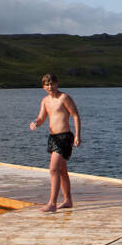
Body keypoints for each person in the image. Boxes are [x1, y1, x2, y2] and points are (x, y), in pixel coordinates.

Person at [29, 73, 81, 212]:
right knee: (62, 171)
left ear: (57, 84)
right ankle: (68, 200)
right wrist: (35, 123)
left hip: (64, 137)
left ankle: (52, 203)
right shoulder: (45, 100)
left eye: (52, 83)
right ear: (43, 86)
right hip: (53, 138)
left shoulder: (64, 98)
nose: (50, 86)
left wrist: (77, 135)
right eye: (47, 84)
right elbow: (41, 117)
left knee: (53, 169)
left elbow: (75, 115)